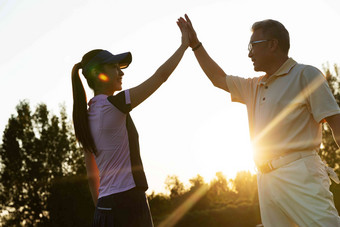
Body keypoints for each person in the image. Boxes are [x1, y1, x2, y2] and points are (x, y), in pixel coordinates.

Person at [179, 14, 340, 226]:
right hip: (265, 179)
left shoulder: (306, 75)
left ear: (273, 45)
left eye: (252, 45)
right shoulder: (253, 86)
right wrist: (195, 45)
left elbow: (336, 123)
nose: (249, 53)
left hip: (300, 173)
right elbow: (218, 79)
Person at [71, 18, 189, 227]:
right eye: (114, 67)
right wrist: (184, 45)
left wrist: (102, 211)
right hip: (129, 203)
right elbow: (160, 76)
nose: (121, 72)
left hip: (103, 209)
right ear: (99, 74)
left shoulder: (85, 117)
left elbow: (92, 177)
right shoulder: (115, 105)